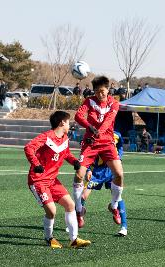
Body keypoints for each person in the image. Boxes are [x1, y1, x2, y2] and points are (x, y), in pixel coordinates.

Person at [24, 111, 91, 249]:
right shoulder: (46, 137)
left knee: (70, 205)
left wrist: (74, 162)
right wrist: (36, 164)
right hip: (38, 180)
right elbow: (29, 147)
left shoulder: (65, 138)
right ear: (62, 123)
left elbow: (66, 153)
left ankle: (74, 239)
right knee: (52, 211)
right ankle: (49, 238)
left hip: (52, 180)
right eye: (68, 122)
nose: (69, 125)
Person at [73, 75, 124, 228]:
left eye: (102, 91)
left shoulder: (114, 104)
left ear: (108, 90)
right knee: (79, 175)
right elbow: (78, 116)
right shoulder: (89, 101)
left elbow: (108, 121)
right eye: (96, 91)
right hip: (90, 143)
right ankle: (79, 210)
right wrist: (90, 128)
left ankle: (114, 206)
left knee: (119, 174)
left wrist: (98, 132)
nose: (99, 94)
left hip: (107, 142)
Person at [82, 131, 128, 236]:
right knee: (82, 196)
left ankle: (124, 227)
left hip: (111, 170)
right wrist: (88, 169)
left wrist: (119, 158)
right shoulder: (92, 134)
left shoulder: (117, 134)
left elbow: (120, 146)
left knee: (118, 196)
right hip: (96, 171)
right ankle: (77, 218)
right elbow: (86, 153)